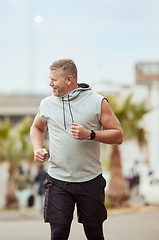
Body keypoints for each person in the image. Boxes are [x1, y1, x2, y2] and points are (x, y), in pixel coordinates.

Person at [30, 59, 123, 240]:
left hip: (90, 180)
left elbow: (118, 135)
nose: (50, 83)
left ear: (69, 80)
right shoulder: (47, 103)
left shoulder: (97, 101)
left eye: (54, 80)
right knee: (58, 234)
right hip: (57, 180)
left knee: (94, 234)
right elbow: (37, 128)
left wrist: (90, 134)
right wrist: (37, 148)